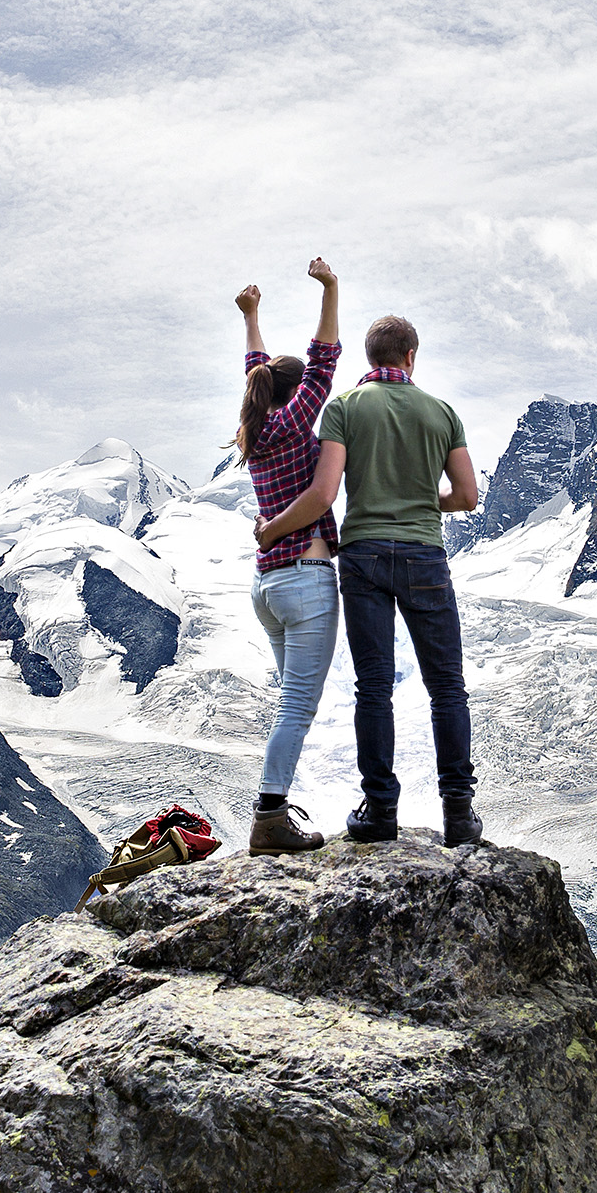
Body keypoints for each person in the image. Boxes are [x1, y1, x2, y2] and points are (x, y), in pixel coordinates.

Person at [256, 309, 482, 845]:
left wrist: (270, 531)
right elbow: (468, 496)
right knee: (446, 686)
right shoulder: (441, 412)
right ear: (411, 357)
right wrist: (427, 500)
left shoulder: (345, 408)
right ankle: (459, 814)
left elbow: (325, 492)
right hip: (425, 554)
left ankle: (380, 809)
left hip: (363, 556)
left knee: (373, 688)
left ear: (369, 358)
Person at [231, 259, 345, 856]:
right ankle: (270, 817)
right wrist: (330, 289)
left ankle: (275, 810)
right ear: (296, 395)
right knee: (298, 706)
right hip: (305, 577)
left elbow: (258, 369)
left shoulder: (256, 424)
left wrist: (251, 317)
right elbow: (324, 359)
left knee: (288, 703)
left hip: (266, 587)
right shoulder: (296, 422)